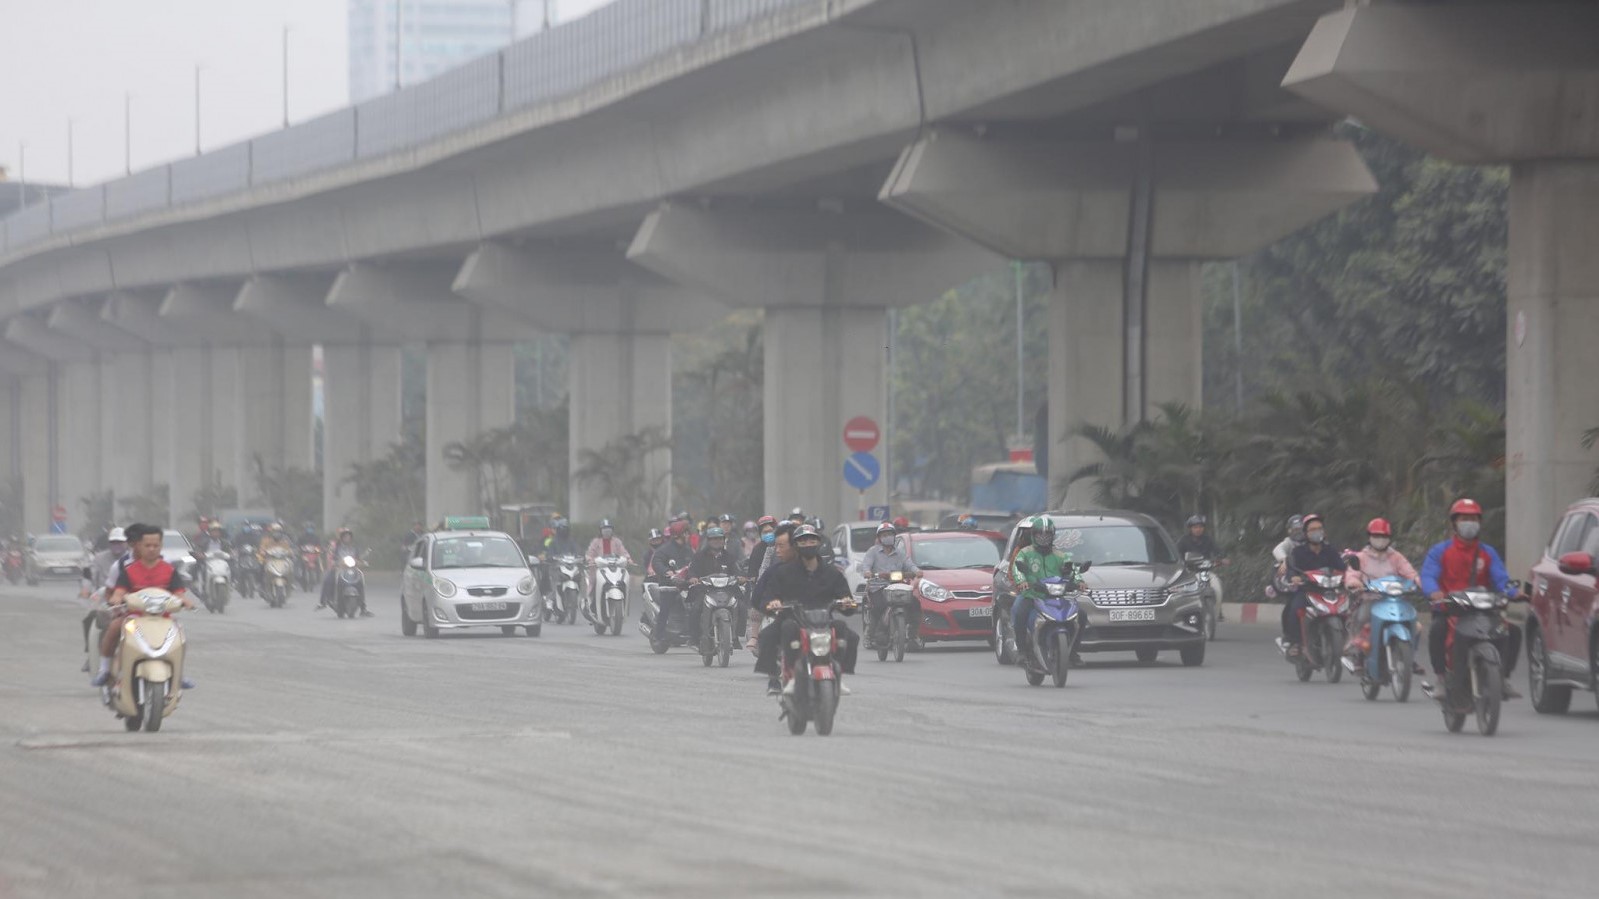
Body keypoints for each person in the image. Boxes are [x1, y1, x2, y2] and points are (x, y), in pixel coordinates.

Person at [1419, 498, 1521, 700]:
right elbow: (1428, 576)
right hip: (1451, 609)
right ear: (1454, 523)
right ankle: (1441, 679)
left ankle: (1502, 678)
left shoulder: (1487, 552)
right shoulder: (1440, 551)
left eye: (1473, 519)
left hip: (1482, 609)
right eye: (1464, 519)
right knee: (1437, 630)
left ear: (1479, 522)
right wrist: (1434, 592)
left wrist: (1513, 593)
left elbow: (1501, 579)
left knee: (1512, 632)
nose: (1469, 523)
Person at [760, 524, 858, 696]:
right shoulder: (783, 572)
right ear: (796, 545)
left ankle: (838, 675)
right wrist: (773, 603)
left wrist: (846, 603)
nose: (808, 544)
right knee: (770, 635)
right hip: (792, 619)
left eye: (812, 541)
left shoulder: (832, 574)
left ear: (818, 543)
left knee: (847, 633)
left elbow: (847, 600)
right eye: (803, 541)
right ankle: (782, 678)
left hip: (823, 622)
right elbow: (768, 598)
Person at [92, 524, 193, 687]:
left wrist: (185, 601)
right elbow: (117, 591)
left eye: (155, 545)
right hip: (133, 616)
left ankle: (178, 674)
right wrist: (116, 600)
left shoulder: (168, 568)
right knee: (114, 628)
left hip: (162, 616)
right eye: (147, 545)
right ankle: (104, 670)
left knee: (179, 635)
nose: (151, 549)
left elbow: (178, 593)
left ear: (160, 546)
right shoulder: (126, 569)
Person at [1341, 518, 1424, 672]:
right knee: (1363, 619)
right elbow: (1352, 575)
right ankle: (1359, 656)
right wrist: (1354, 583)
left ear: (1389, 538)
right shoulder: (1362, 557)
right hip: (1370, 599)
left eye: (1384, 536)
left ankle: (1409, 657)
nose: (1380, 539)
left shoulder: (1396, 557)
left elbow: (1410, 573)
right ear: (1369, 537)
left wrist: (1419, 582)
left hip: (1395, 600)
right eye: (1376, 536)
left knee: (1416, 625)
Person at [1276, 513, 1346, 657]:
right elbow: (1291, 569)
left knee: (1348, 608)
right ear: (1306, 533)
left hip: (1329, 591)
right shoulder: (1298, 552)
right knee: (1294, 608)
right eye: (1313, 530)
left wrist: (1350, 578)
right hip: (1307, 591)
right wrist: (1294, 577)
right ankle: (1295, 643)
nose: (1317, 532)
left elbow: (1342, 568)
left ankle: (1347, 641)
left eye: (1319, 529)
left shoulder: (1330, 551)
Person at [1009, 516, 1071, 664]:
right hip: (1031, 595)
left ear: (1053, 535)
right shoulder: (1025, 553)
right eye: (1040, 535)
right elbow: (1017, 568)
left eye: (1047, 534)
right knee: (1019, 613)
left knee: (1080, 615)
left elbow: (1072, 569)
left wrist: (1078, 581)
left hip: (1055, 597)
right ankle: (1022, 651)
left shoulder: (1061, 555)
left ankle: (1073, 652)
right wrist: (1022, 581)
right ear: (1033, 535)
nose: (1043, 538)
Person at [857, 521, 922, 649]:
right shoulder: (873, 552)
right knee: (879, 606)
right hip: (877, 588)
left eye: (890, 534)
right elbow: (866, 566)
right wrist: (867, 572)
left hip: (896, 587)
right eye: (884, 535)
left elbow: (910, 565)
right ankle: (871, 635)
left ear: (894, 536)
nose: (888, 537)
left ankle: (913, 635)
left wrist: (917, 571)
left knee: (915, 604)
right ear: (879, 538)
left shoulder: (900, 553)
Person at [80, 527, 129, 673]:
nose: (117, 546)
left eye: (120, 542)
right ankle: (91, 654)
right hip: (104, 598)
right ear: (109, 543)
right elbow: (89, 577)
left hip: (129, 600)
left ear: (126, 543)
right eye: (114, 542)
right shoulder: (99, 558)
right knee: (90, 617)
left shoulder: (133, 558)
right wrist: (86, 589)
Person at [648, 521, 697, 644]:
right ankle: (659, 636)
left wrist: (694, 576)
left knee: (697, 604)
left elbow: (694, 565)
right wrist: (666, 571)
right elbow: (656, 562)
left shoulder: (688, 550)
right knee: (665, 608)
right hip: (669, 585)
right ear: (679, 535)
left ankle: (695, 633)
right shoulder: (664, 549)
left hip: (685, 585)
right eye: (686, 533)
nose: (688, 535)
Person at [1176, 514, 1229, 620]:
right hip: (1190, 573)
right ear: (1190, 528)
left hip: (1206, 572)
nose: (1198, 529)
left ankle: (1218, 611)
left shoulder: (1208, 539)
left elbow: (1217, 550)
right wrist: (1181, 563)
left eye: (1200, 527)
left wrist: (1222, 558)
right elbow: (1177, 555)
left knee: (1218, 584)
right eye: (1195, 527)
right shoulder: (1183, 541)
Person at [319, 527, 372, 616]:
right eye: (345, 536)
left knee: (361, 579)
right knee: (328, 579)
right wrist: (334, 562)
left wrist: (362, 562)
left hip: (353, 569)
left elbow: (358, 558)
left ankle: (363, 608)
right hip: (340, 569)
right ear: (342, 538)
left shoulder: (355, 548)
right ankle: (323, 601)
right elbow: (333, 558)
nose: (347, 538)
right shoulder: (337, 548)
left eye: (348, 536)